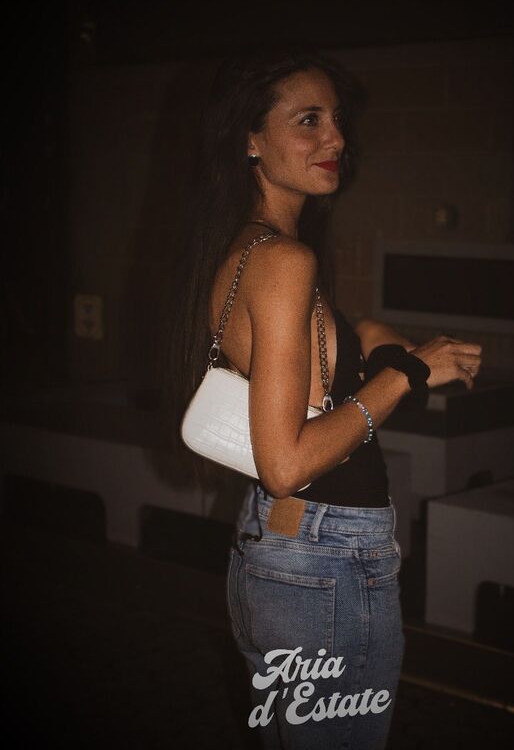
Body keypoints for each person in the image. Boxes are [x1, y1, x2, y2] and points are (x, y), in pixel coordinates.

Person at [168, 46, 482, 749]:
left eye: (336, 119)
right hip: (325, 557)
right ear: (250, 139)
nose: (336, 138)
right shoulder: (285, 260)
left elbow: (331, 342)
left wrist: (382, 343)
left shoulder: (248, 247)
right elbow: (286, 464)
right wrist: (408, 375)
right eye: (308, 120)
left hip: (281, 552)